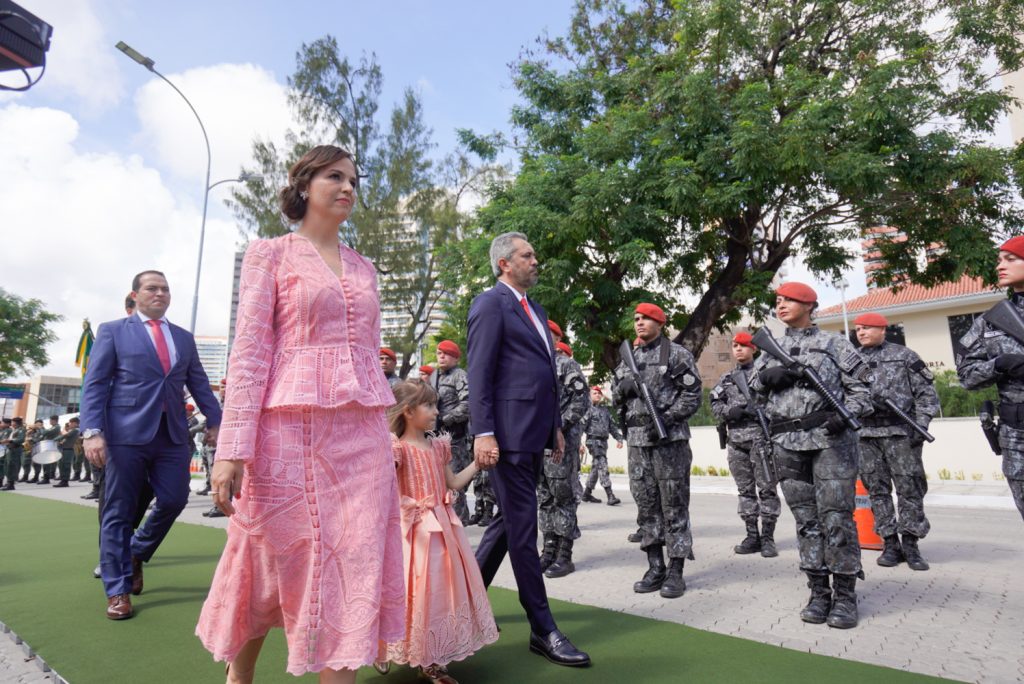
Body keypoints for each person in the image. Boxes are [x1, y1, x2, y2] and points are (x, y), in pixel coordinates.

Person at [196, 145, 404, 684]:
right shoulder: (271, 255)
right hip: (286, 435)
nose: (348, 187)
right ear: (304, 185)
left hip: (362, 437)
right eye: (335, 176)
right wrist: (232, 450)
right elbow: (248, 355)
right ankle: (239, 676)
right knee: (267, 557)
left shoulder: (365, 267)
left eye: (354, 180)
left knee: (353, 564)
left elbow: (368, 351)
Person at [468, 231, 590, 667]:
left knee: (507, 523)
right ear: (505, 263)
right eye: (528, 255)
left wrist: (554, 426)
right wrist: (483, 432)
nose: (537, 260)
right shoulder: (490, 303)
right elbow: (480, 373)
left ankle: (462, 605)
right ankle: (543, 629)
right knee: (523, 531)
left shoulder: (535, 308)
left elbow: (545, 374)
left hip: (534, 433)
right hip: (506, 437)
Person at [79, 270, 223, 620]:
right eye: (152, 288)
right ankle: (117, 589)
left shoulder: (183, 338)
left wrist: (218, 421)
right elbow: (95, 384)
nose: (160, 293)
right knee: (119, 510)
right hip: (124, 434)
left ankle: (136, 552)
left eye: (165, 289)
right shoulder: (113, 331)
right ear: (135, 295)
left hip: (172, 434)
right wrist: (91, 431)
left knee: (175, 498)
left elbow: (200, 384)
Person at [750, 282, 873, 629]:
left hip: (830, 441)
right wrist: (770, 378)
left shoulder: (834, 343)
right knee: (807, 521)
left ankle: (845, 594)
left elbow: (864, 389)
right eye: (778, 299)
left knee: (837, 518)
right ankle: (818, 591)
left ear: (809, 305)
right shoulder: (771, 348)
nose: (781, 304)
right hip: (787, 441)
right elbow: (755, 391)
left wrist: (844, 415)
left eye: (789, 299)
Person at [379, 381, 499, 684]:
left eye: (434, 404)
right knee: (408, 592)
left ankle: (432, 660)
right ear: (408, 411)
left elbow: (454, 483)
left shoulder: (437, 447)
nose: (436, 411)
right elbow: (382, 489)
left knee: (438, 593)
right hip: (411, 534)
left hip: (443, 531)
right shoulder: (396, 448)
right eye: (428, 405)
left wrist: (478, 463)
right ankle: (383, 647)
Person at [612, 303, 702, 599]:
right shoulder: (629, 358)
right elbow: (615, 397)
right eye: (636, 318)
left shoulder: (676, 354)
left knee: (674, 507)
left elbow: (692, 396)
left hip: (669, 441)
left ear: (660, 323)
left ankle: (676, 570)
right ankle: (655, 566)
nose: (639, 322)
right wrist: (622, 388)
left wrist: (667, 418)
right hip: (638, 443)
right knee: (646, 507)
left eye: (646, 318)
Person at [855, 312, 939, 571]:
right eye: (858, 328)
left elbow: (927, 394)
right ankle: (890, 542)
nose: (861, 332)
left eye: (867, 328)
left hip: (901, 433)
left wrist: (921, 425)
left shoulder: (905, 356)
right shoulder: (851, 360)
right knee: (876, 491)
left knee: (910, 489)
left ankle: (911, 544)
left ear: (882, 329)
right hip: (866, 434)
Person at [956, 235, 1024, 523]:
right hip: (1017, 436)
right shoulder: (992, 321)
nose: (1000, 265)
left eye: (1011, 259)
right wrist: (1000, 365)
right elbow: (966, 375)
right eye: (999, 260)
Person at [709, 332, 781, 557]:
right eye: (735, 346)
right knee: (745, 491)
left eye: (743, 345)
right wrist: (732, 411)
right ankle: (752, 535)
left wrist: (763, 412)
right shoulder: (727, 378)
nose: (738, 349)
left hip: (761, 439)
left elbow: (779, 402)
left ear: (754, 349)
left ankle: (768, 537)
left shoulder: (764, 375)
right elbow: (714, 403)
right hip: (736, 441)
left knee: (767, 489)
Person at [537, 338, 589, 579]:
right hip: (536, 441)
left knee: (563, 496)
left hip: (561, 440)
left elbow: (581, 401)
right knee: (545, 497)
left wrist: (559, 426)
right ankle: (548, 551)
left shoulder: (566, 364)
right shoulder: (534, 362)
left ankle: (564, 555)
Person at [429, 340, 473, 525]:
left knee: (455, 481)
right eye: (439, 353)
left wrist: (445, 418)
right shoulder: (433, 377)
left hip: (455, 437)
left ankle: (459, 520)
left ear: (455, 358)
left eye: (446, 354)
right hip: (435, 436)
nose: (441, 357)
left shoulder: (460, 375)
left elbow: (468, 404)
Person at [581, 386, 624, 506]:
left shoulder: (605, 410)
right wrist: (579, 444)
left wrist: (619, 439)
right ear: (589, 395)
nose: (598, 395)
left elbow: (612, 427)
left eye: (599, 393)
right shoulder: (587, 410)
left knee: (596, 467)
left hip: (603, 442)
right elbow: (580, 427)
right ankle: (610, 495)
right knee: (602, 464)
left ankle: (587, 493)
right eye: (594, 393)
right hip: (593, 442)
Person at [53, 417, 80, 488]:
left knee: (66, 466)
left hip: (68, 450)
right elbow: (65, 438)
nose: (69, 424)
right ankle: (62, 480)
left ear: (75, 423)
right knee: (61, 465)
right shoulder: (71, 430)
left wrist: (54, 439)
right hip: (64, 449)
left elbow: (65, 435)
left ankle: (65, 481)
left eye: (71, 423)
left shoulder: (75, 430)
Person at [1, 417, 24, 490]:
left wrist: (9, 440)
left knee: (12, 466)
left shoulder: (21, 430)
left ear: (16, 423)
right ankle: (8, 482)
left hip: (15, 449)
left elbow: (21, 439)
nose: (12, 423)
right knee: (7, 466)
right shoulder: (15, 430)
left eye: (13, 422)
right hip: (10, 449)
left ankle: (11, 484)